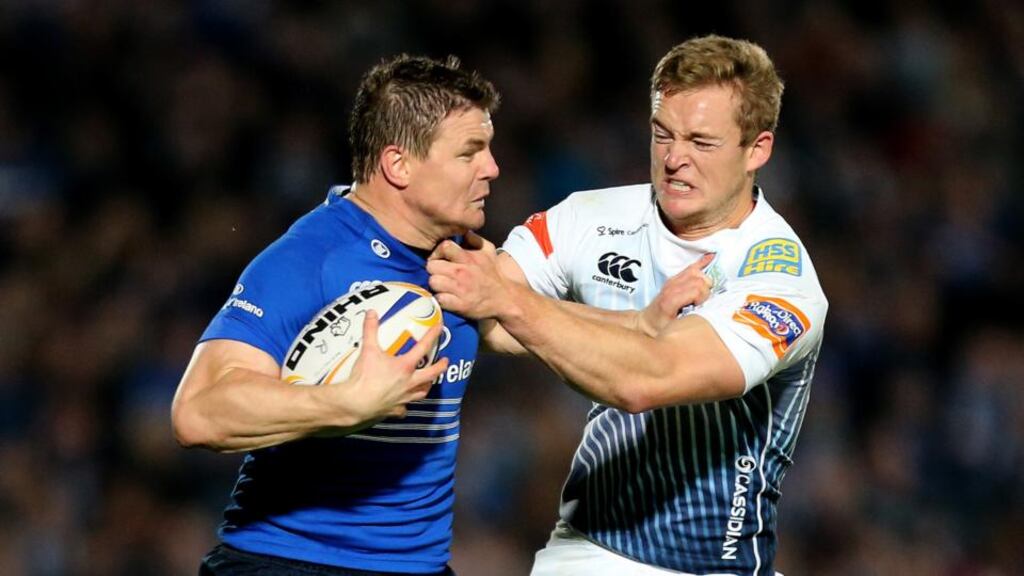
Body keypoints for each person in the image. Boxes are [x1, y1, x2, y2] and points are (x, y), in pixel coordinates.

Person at [427, 35, 828, 575]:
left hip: (715, 564)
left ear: (757, 149)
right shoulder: (586, 218)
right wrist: (635, 322)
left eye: (702, 143)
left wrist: (509, 300)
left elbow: (649, 379)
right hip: (585, 549)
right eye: (663, 134)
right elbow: (491, 319)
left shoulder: (780, 277)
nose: (674, 158)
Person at [171, 54, 500, 576]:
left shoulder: (467, 261)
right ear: (399, 165)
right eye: (470, 152)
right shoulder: (310, 259)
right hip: (288, 562)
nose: (492, 168)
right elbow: (197, 412)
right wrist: (342, 402)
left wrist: (653, 321)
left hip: (420, 567)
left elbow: (544, 338)